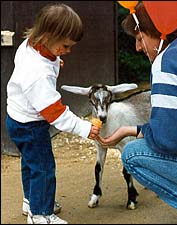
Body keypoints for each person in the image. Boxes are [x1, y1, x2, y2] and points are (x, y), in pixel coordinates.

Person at [97, 2, 177, 224]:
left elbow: (173, 141)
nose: (138, 48)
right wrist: (133, 129)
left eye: (139, 38)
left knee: (132, 154)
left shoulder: (167, 62)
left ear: (156, 33)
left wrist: (146, 134)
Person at [5, 3, 100, 224]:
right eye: (65, 46)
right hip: (31, 125)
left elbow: (44, 63)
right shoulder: (37, 73)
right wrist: (85, 128)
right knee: (44, 168)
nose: (67, 51)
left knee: (31, 162)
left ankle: (32, 201)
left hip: (17, 118)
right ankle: (41, 215)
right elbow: (55, 114)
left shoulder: (31, 45)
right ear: (48, 36)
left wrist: (56, 60)